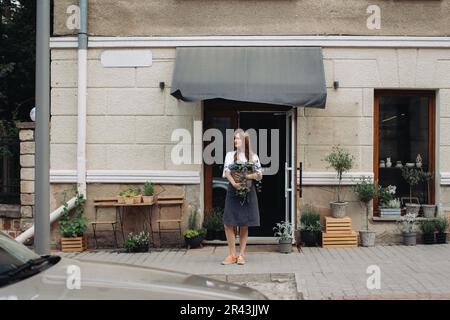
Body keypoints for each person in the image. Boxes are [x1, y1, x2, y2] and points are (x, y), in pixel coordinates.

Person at [221, 130, 262, 265]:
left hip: (248, 191)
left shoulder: (253, 157)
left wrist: (246, 177)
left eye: (237, 139)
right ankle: (231, 255)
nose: (235, 141)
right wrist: (234, 184)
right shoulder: (230, 155)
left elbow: (259, 175)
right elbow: (227, 172)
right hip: (233, 191)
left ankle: (241, 255)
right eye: (234, 139)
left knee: (244, 224)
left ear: (244, 141)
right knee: (228, 223)